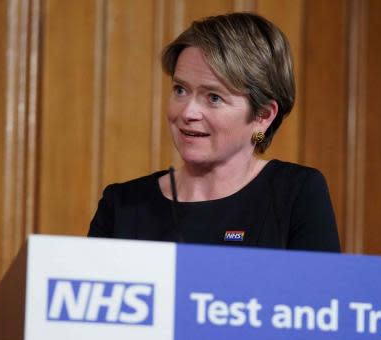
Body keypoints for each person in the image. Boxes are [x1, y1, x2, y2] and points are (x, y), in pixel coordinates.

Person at [89, 12, 340, 252]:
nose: (188, 112)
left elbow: (319, 294)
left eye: (214, 97)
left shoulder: (297, 194)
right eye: (180, 90)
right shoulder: (121, 205)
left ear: (263, 115)